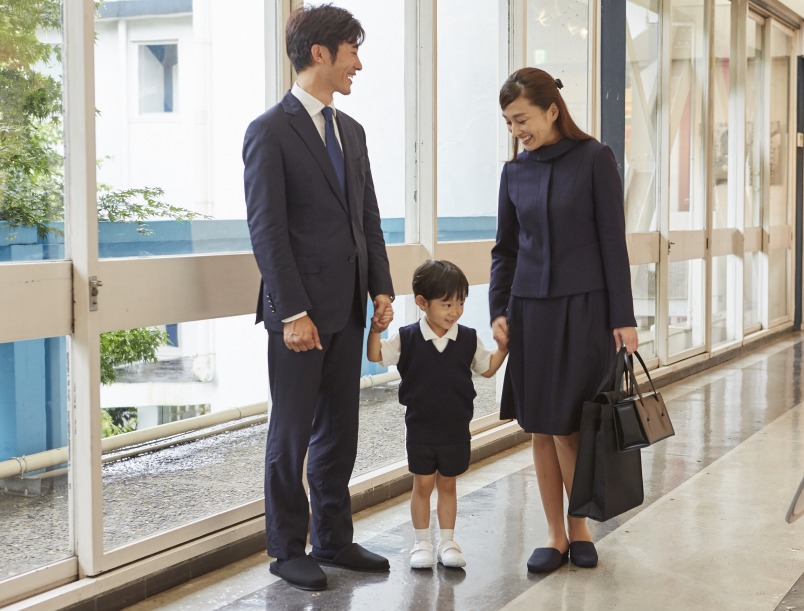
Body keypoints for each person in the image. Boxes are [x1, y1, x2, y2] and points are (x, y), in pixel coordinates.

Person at [242, 4, 395, 592]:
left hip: (350, 308)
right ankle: (286, 547)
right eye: (351, 50)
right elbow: (268, 231)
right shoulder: (269, 130)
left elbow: (368, 218)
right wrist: (293, 312)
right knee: (292, 431)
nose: (358, 63)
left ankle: (333, 537)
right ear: (320, 54)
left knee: (341, 430)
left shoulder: (349, 131)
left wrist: (380, 286)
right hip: (300, 317)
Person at [489, 68, 638, 574]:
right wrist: (498, 310)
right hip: (530, 310)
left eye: (523, 119)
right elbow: (504, 250)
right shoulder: (514, 172)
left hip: (585, 309)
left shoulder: (594, 159)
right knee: (541, 426)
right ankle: (555, 534)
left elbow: (612, 243)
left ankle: (580, 528)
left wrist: (624, 316)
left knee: (572, 425)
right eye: (509, 122)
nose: (517, 131)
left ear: (552, 111)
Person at [367, 260, 508, 570]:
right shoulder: (407, 337)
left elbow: (487, 369)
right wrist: (376, 331)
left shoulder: (468, 338)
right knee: (422, 485)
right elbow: (376, 356)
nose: (454, 311)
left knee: (448, 485)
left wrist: (503, 348)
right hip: (420, 428)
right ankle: (421, 543)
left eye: (459, 303)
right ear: (422, 302)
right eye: (446, 304)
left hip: (456, 429)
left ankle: (447, 541)